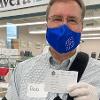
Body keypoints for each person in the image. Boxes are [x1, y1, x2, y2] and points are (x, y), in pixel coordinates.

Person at [4, 0, 100, 100]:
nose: (64, 27)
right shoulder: (21, 70)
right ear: (47, 25)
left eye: (72, 20)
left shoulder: (97, 72)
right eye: (57, 19)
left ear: (81, 27)